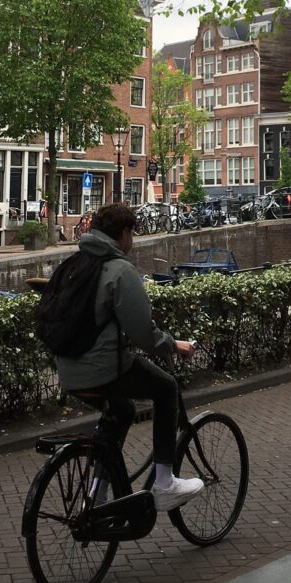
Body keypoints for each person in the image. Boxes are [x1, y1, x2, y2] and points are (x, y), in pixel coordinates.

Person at [52, 203, 204, 511]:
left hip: (69, 372)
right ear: (123, 234)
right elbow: (143, 336)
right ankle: (164, 484)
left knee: (120, 410)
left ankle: (98, 492)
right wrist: (174, 345)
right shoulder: (120, 271)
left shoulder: (74, 264)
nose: (133, 241)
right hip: (103, 369)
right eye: (132, 233)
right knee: (166, 388)